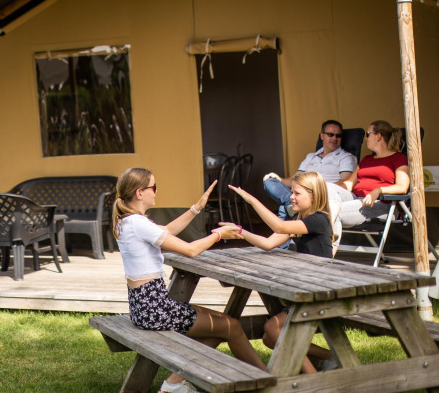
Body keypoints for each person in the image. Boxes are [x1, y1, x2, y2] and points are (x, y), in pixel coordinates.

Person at [113, 167, 266, 393]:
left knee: (219, 323)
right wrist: (219, 235)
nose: (156, 191)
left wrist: (196, 208)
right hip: (156, 310)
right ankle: (269, 382)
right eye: (153, 187)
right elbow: (191, 250)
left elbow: (166, 231)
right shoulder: (138, 223)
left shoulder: (129, 221)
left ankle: (173, 384)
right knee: (231, 326)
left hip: (144, 307)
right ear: (139, 192)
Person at [227, 171, 337, 373]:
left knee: (272, 329)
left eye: (296, 193)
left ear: (313, 196)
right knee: (269, 339)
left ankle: (312, 379)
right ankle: (329, 357)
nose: (291, 197)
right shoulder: (301, 220)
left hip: (322, 295)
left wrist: (252, 200)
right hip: (309, 294)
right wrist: (240, 231)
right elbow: (268, 243)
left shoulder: (318, 220)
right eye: (291, 192)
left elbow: (279, 225)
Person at [262, 120, 357, 249]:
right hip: (302, 192)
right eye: (330, 134)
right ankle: (289, 202)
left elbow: (345, 183)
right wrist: (278, 179)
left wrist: (318, 191)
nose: (334, 138)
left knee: (284, 209)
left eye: (338, 136)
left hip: (325, 194)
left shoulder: (345, 157)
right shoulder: (311, 157)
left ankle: (289, 207)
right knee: (269, 181)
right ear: (322, 135)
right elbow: (294, 180)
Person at [328, 120, 410, 236]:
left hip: (379, 204)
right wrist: (322, 187)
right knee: (326, 187)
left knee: (331, 213)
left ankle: (327, 248)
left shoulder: (399, 158)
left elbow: (402, 187)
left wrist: (378, 190)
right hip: (355, 199)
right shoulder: (367, 159)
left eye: (368, 134)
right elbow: (349, 184)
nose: (365, 138)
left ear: (378, 136)